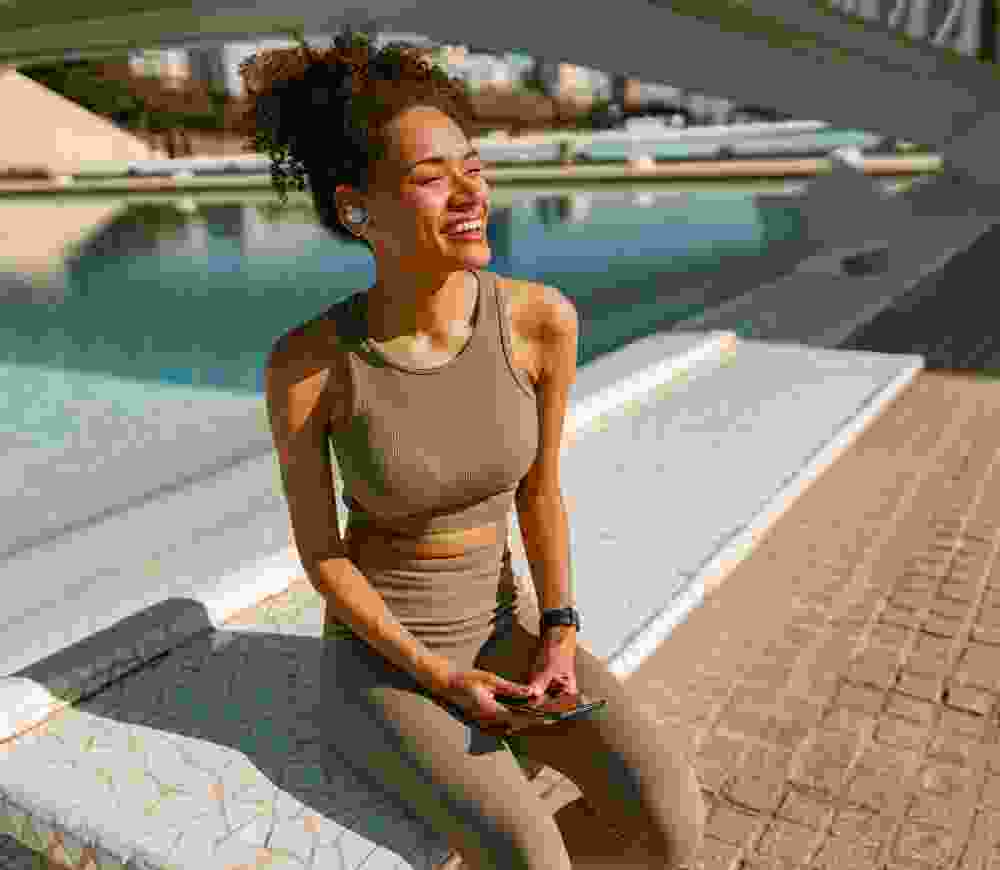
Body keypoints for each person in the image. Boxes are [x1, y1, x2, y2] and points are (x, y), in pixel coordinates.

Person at [246, 30, 706, 869]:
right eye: (431, 178)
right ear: (357, 209)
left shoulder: (539, 321)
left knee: (673, 822)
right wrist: (436, 674)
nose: (470, 194)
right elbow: (322, 554)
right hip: (385, 662)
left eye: (474, 167)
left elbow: (541, 493)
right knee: (529, 852)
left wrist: (558, 630)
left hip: (507, 627)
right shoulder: (308, 364)